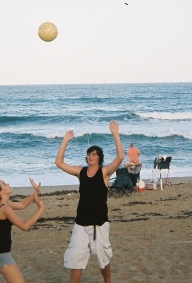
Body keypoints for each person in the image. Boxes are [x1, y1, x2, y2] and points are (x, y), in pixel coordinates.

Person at [55, 120, 124, 283]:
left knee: (103, 258)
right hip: (81, 223)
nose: (91, 156)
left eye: (94, 154)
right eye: (89, 154)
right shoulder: (81, 172)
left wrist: (115, 134)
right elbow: (59, 163)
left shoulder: (105, 172)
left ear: (99, 158)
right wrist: (65, 141)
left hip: (99, 224)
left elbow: (120, 157)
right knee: (76, 259)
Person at [0, 177, 44, 283]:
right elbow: (24, 226)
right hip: (0, 254)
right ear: (1, 192)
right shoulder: (5, 208)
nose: (8, 184)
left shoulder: (1, 204)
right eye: (4, 184)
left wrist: (36, 192)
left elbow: (22, 205)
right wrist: (41, 209)